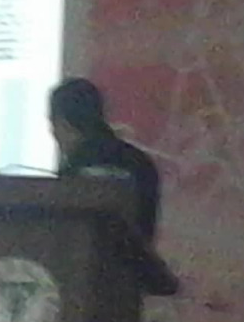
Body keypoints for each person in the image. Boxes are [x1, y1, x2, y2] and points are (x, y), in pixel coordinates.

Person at [49, 77, 161, 245]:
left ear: (62, 123)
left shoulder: (74, 168)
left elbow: (63, 235)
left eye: (52, 124)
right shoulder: (141, 162)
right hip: (134, 260)